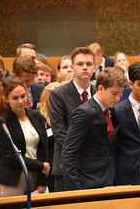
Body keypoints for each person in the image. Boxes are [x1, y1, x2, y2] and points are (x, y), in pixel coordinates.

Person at [62, 67, 128, 190]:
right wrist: (75, 190)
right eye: (115, 93)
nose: (118, 98)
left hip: (108, 179)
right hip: (88, 182)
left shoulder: (110, 109)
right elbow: (68, 153)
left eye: (120, 94)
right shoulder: (84, 113)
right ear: (101, 89)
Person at [49, 46, 96, 192]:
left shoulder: (99, 94)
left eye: (88, 64)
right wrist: (86, 151)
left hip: (94, 167)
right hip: (67, 166)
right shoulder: (58, 94)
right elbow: (59, 132)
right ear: (73, 68)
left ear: (94, 68)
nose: (84, 68)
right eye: (80, 64)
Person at [0, 78, 50, 197]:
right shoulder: (2, 122)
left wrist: (42, 179)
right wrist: (40, 166)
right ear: (6, 99)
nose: (21, 101)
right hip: (13, 179)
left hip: (36, 176)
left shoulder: (36, 116)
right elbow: (10, 157)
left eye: (23, 96)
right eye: (15, 98)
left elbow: (43, 149)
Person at [39, 82, 61, 192]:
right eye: (50, 98)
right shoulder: (39, 118)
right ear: (45, 100)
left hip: (62, 163)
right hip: (47, 164)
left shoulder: (67, 118)